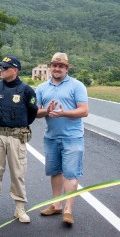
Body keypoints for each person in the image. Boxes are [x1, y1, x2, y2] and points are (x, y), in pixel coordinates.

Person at [0, 56, 37, 223]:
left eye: (5, 68)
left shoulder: (27, 90)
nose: (1, 70)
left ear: (15, 70)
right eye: (1, 67)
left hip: (16, 136)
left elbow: (32, 111)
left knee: (17, 172)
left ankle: (19, 208)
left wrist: (20, 124)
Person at [36, 52, 88, 226]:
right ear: (50, 67)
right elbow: (36, 113)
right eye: (54, 65)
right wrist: (46, 111)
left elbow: (84, 111)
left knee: (71, 173)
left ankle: (68, 210)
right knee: (55, 171)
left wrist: (64, 113)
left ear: (67, 68)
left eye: (61, 66)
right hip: (51, 137)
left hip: (72, 137)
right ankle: (56, 204)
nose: (57, 68)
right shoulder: (42, 88)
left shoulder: (77, 86)